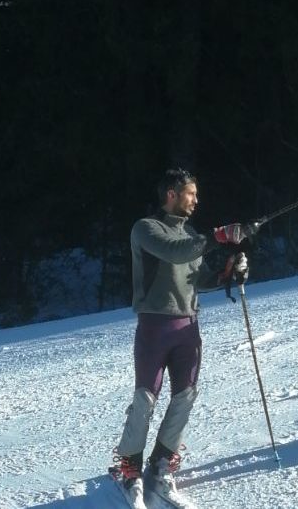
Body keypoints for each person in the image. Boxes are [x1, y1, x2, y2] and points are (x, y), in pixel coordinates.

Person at [111, 168, 254, 504]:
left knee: (185, 395)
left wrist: (230, 271)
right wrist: (219, 236)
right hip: (155, 325)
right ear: (171, 194)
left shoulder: (190, 233)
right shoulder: (146, 229)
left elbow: (199, 278)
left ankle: (162, 461)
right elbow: (175, 252)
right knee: (146, 397)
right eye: (191, 193)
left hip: (188, 326)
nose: (196, 200)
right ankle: (129, 464)